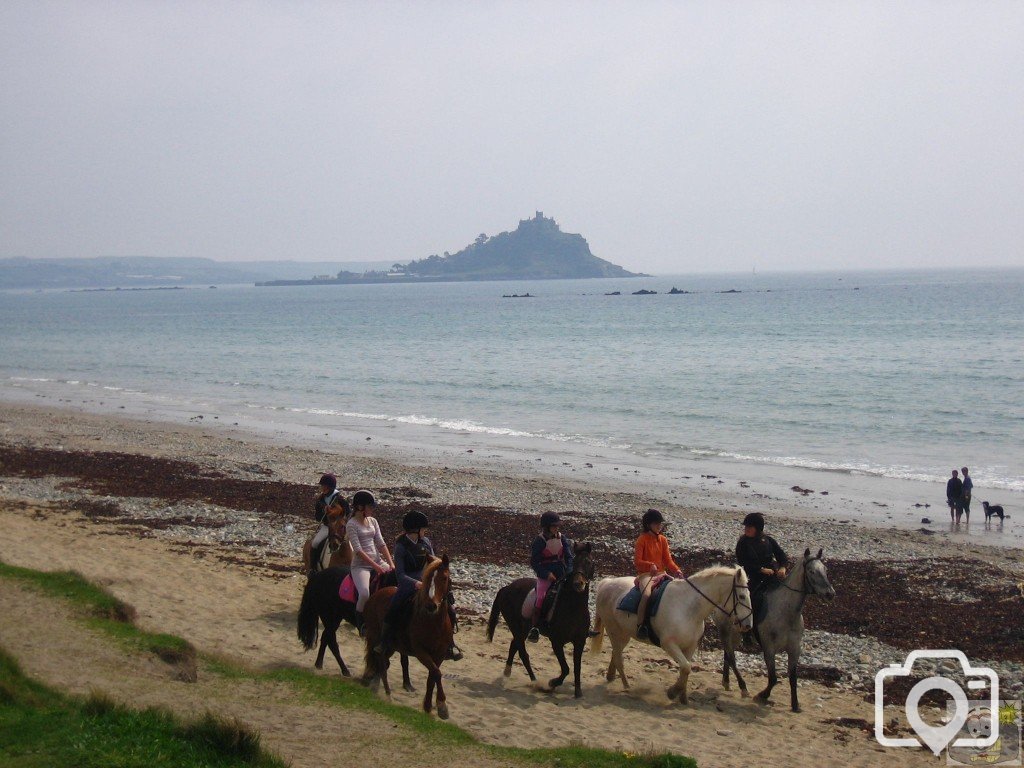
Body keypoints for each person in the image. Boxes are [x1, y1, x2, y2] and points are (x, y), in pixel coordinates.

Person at [372, 510, 463, 661]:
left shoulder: (426, 542)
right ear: (416, 529)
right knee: (394, 608)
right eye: (423, 528)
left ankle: (450, 644)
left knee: (450, 609)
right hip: (408, 584)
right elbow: (400, 575)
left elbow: (434, 563)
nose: (425, 531)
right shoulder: (401, 547)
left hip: (427, 582)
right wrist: (417, 583)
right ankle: (384, 641)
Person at [345, 490, 395, 635]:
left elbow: (381, 543)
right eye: (370, 506)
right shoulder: (351, 524)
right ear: (360, 507)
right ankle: (360, 623)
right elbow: (358, 550)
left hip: (378, 560)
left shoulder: (373, 521)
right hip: (361, 566)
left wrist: (391, 564)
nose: (373, 509)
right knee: (365, 593)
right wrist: (376, 567)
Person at [735, 512, 787, 646]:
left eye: (749, 527)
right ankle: (748, 633)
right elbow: (742, 561)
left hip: (771, 576)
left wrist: (782, 568)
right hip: (752, 577)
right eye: (746, 526)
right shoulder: (742, 542)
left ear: (758, 528)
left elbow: (782, 556)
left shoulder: (769, 540)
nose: (746, 529)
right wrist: (760, 569)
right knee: (750, 600)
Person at [634, 509, 684, 641]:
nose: (659, 526)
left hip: (662, 573)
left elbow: (668, 561)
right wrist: (650, 565)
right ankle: (641, 625)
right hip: (646, 575)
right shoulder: (642, 539)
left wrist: (677, 570)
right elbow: (637, 561)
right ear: (648, 524)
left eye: (660, 524)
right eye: (657, 523)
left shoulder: (662, 540)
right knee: (646, 595)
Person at [527, 511, 574, 642]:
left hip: (561, 571)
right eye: (554, 526)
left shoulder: (562, 538)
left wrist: (569, 570)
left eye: (557, 526)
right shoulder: (540, 541)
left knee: (574, 591)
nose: (557, 528)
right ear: (547, 526)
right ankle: (535, 627)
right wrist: (546, 574)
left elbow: (569, 556)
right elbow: (534, 562)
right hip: (546, 573)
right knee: (541, 597)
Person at [310, 473, 349, 574]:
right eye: (322, 486)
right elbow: (318, 517)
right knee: (315, 543)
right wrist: (324, 511)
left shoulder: (340, 499)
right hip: (327, 527)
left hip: (340, 527)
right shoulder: (320, 500)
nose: (322, 488)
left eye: (324, 486)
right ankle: (312, 568)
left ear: (330, 487)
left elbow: (347, 513)